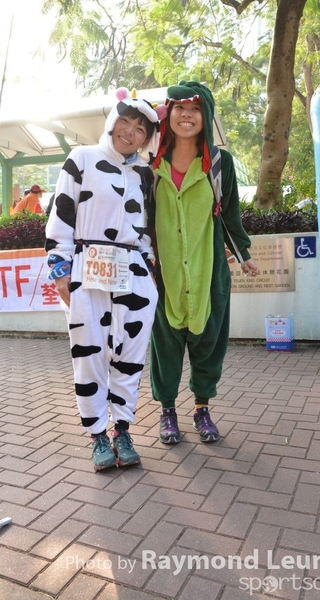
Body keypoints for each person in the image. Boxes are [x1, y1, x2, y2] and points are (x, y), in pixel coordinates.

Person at [45, 87, 163, 471]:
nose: (130, 132)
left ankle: (122, 430)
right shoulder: (82, 158)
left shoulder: (145, 174)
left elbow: (147, 229)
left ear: (147, 138)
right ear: (113, 121)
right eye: (125, 121)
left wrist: (150, 274)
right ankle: (97, 434)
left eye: (140, 128)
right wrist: (60, 269)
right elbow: (62, 215)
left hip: (134, 272)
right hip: (87, 268)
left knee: (131, 355)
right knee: (90, 353)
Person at [149, 79, 259, 445]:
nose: (187, 115)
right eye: (180, 108)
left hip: (208, 272)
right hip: (163, 276)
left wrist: (243, 254)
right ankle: (167, 411)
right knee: (165, 347)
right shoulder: (151, 165)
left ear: (206, 115)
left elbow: (229, 214)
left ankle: (201, 408)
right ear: (169, 114)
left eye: (195, 108)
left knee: (208, 344)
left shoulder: (219, 164)